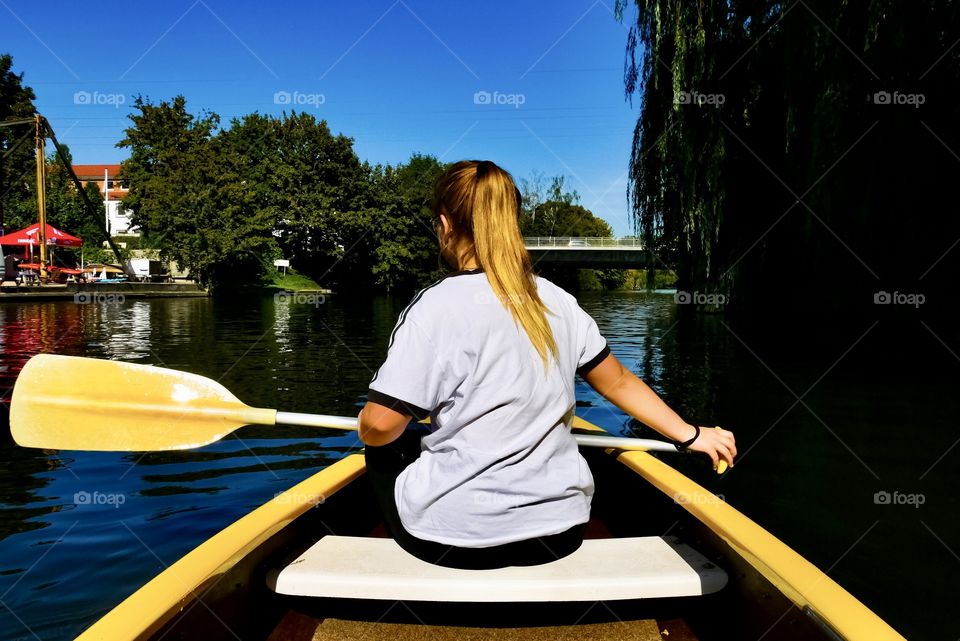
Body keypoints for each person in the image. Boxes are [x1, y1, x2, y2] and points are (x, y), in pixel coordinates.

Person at [357, 160, 736, 570]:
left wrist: (378, 423)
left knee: (381, 450)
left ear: (445, 224)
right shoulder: (557, 300)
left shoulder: (433, 306)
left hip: (452, 544)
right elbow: (619, 382)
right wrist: (690, 434)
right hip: (560, 535)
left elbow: (379, 427)